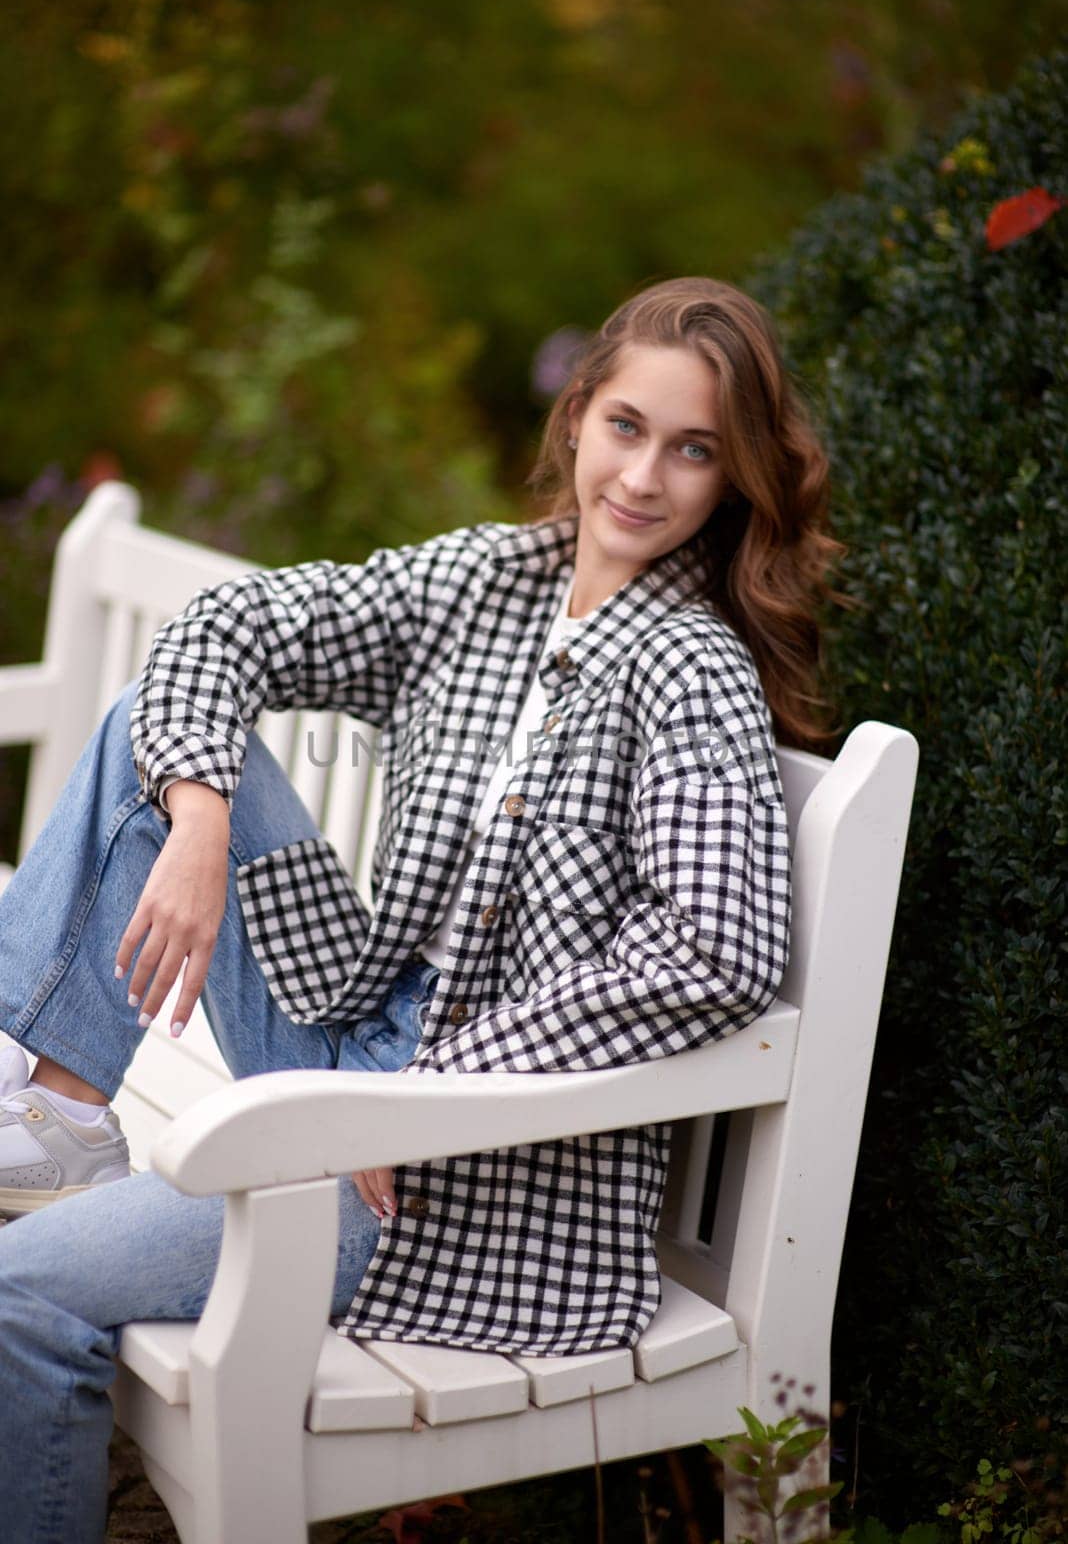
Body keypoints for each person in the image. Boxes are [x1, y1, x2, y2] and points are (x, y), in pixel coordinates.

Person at [0, 275, 841, 1543]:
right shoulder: (489, 584)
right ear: (577, 420)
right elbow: (227, 624)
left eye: (694, 450)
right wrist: (204, 815)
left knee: (20, 1296)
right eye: (627, 426)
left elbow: (712, 950)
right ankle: (62, 1110)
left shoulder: (692, 675)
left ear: (732, 480)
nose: (645, 476)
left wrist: (426, 1095)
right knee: (153, 737)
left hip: (454, 1169)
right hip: (342, 1040)